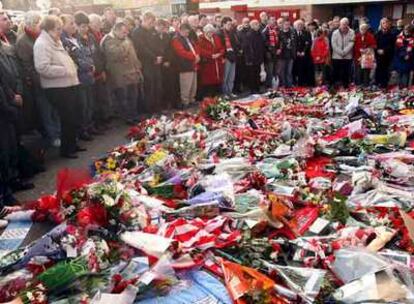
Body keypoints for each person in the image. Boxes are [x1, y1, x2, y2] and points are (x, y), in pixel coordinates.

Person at [34, 15, 81, 159]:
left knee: (72, 117)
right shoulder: (42, 44)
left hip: (68, 84)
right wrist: (64, 70)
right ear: (48, 29)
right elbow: (42, 67)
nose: (60, 31)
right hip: (57, 87)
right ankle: (66, 149)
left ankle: (72, 144)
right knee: (67, 118)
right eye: (57, 29)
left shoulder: (55, 40)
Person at [16, 11, 61, 147]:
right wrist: (41, 78)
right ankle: (54, 137)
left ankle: (60, 133)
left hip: (51, 79)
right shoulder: (23, 41)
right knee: (46, 111)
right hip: (39, 82)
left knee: (55, 109)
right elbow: (27, 66)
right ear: (30, 25)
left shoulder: (42, 36)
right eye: (37, 23)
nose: (40, 26)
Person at [61, 13, 95, 141]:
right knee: (82, 106)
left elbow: (87, 54)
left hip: (88, 76)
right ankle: (83, 129)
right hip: (79, 78)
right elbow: (75, 60)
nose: (74, 26)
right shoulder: (65, 41)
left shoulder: (77, 38)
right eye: (71, 23)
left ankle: (89, 125)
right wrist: (88, 66)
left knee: (89, 104)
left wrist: (91, 65)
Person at [101, 21, 142, 124]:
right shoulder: (108, 40)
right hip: (120, 75)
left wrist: (138, 67)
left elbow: (133, 54)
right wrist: (125, 45)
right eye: (123, 32)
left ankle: (134, 115)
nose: (126, 34)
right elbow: (116, 54)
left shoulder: (125, 39)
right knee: (124, 97)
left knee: (133, 96)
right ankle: (128, 117)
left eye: (126, 32)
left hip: (132, 72)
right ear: (116, 30)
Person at [131, 12, 163, 114]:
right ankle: (149, 110)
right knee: (148, 87)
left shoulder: (153, 30)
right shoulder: (137, 32)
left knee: (157, 85)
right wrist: (154, 57)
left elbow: (158, 43)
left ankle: (157, 107)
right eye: (150, 22)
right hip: (145, 63)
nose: (152, 24)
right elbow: (141, 48)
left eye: (153, 22)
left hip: (156, 62)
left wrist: (160, 55)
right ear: (144, 19)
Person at [88, 13, 111, 129]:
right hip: (94, 71)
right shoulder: (90, 36)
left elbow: (100, 54)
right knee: (95, 99)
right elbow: (94, 55)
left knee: (102, 96)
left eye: (99, 23)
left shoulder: (97, 35)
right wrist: (100, 69)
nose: (99, 26)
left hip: (101, 69)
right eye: (96, 23)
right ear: (90, 24)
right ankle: (98, 121)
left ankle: (103, 118)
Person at [171, 23, 200, 109]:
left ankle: (192, 99)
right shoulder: (176, 39)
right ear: (181, 30)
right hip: (184, 65)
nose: (187, 34)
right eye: (186, 32)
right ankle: (185, 102)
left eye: (188, 32)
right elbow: (181, 52)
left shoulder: (188, 38)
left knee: (193, 85)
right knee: (186, 85)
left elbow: (195, 47)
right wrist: (194, 56)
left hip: (193, 64)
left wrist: (198, 55)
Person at [156, 19, 179, 110]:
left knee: (171, 84)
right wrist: (163, 60)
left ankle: (172, 102)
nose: (162, 29)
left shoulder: (167, 36)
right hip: (158, 64)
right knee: (162, 86)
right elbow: (156, 50)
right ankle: (164, 104)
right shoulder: (153, 37)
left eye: (164, 27)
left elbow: (170, 49)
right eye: (160, 27)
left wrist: (168, 60)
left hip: (168, 64)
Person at [198, 23, 225, 97]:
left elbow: (222, 47)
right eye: (209, 32)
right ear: (205, 32)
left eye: (212, 32)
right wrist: (211, 55)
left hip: (217, 61)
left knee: (217, 80)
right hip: (208, 63)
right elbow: (200, 50)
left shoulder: (216, 37)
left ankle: (216, 96)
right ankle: (209, 98)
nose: (210, 33)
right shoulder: (201, 38)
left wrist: (219, 54)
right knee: (208, 81)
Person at [218, 16, 239, 98]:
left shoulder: (232, 32)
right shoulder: (219, 33)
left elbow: (235, 45)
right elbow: (220, 46)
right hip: (226, 57)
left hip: (233, 56)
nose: (230, 26)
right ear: (223, 24)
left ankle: (230, 91)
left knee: (231, 76)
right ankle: (224, 93)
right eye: (228, 24)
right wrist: (223, 56)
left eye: (231, 24)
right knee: (225, 77)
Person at [242, 19, 264, 93]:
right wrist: (249, 59)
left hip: (258, 58)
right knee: (252, 75)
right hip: (251, 59)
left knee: (257, 74)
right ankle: (253, 90)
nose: (258, 25)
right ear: (252, 26)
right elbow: (246, 48)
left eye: (258, 24)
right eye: (256, 24)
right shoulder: (249, 35)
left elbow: (261, 46)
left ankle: (257, 89)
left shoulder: (259, 34)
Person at [331, 17, 355, 88]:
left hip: (347, 56)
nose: (344, 25)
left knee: (346, 72)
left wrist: (344, 52)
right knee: (336, 71)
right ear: (340, 24)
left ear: (348, 24)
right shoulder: (335, 32)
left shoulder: (352, 32)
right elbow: (333, 44)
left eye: (345, 24)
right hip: (336, 56)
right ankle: (335, 85)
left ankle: (345, 85)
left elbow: (352, 43)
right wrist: (341, 52)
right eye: (342, 24)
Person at [375, 18, 396, 88]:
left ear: (388, 24)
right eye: (383, 23)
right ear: (381, 24)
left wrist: (384, 50)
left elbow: (392, 46)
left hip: (387, 56)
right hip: (378, 55)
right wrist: (377, 50)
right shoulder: (377, 33)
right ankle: (377, 83)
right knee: (378, 69)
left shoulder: (392, 34)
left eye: (386, 23)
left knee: (386, 71)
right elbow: (375, 44)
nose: (385, 24)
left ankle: (384, 84)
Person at [354, 23, 376, 87]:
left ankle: (366, 86)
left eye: (364, 29)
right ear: (359, 29)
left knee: (366, 72)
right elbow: (354, 46)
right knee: (358, 72)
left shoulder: (370, 36)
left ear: (367, 29)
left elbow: (374, 45)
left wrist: (368, 49)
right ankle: (358, 85)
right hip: (358, 57)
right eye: (361, 29)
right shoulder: (356, 36)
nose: (363, 30)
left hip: (367, 57)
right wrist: (359, 51)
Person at [293, 19, 313, 86]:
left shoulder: (307, 33)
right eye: (298, 25)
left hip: (305, 55)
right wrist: (297, 51)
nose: (300, 26)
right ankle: (295, 83)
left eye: (301, 25)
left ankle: (303, 83)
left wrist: (303, 52)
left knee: (304, 70)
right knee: (295, 70)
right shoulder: (292, 33)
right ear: (295, 26)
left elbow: (308, 43)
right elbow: (293, 44)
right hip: (295, 55)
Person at [276, 19, 296, 88]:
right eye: (285, 24)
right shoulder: (279, 33)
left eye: (288, 24)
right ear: (283, 25)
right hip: (282, 56)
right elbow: (277, 44)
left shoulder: (292, 33)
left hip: (290, 55)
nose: (287, 26)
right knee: (282, 72)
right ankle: (284, 85)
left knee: (289, 72)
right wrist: (278, 49)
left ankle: (289, 85)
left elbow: (294, 44)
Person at [234, 17, 250, 93]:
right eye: (245, 22)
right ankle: (239, 88)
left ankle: (246, 86)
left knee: (247, 72)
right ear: (242, 23)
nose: (246, 24)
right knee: (240, 72)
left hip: (249, 55)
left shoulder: (250, 31)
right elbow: (237, 43)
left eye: (247, 22)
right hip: (241, 56)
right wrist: (240, 50)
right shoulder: (239, 31)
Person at [262, 15, 278, 89]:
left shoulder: (275, 30)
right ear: (268, 21)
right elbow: (265, 42)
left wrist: (278, 48)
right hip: (269, 54)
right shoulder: (265, 31)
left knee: (274, 70)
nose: (273, 21)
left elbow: (278, 41)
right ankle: (268, 86)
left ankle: (273, 85)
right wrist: (271, 49)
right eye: (272, 20)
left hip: (275, 53)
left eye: (274, 20)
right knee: (269, 71)